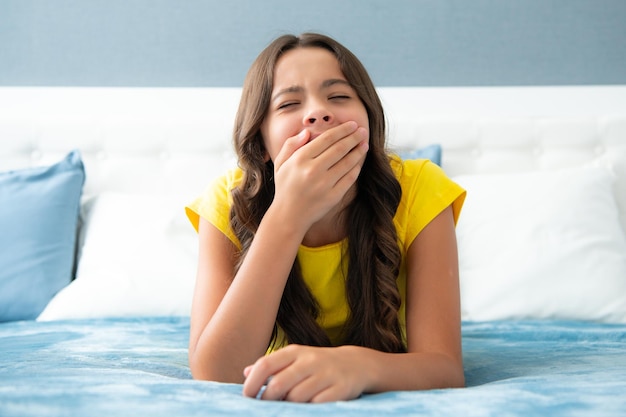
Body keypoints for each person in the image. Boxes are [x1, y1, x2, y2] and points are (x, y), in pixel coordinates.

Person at [185, 32, 466, 403]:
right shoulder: (226, 199)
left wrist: (358, 366)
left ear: (370, 121)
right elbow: (215, 372)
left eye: (339, 96)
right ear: (261, 142)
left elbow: (445, 368)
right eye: (288, 104)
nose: (317, 111)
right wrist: (288, 214)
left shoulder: (421, 188)